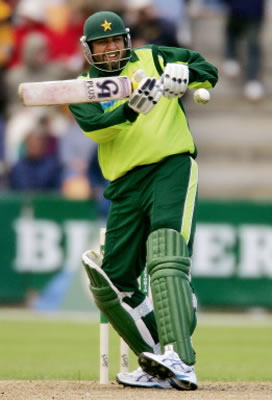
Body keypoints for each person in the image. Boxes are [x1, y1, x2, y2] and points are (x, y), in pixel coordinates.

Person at [69, 11, 218, 390]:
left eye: (117, 39)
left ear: (127, 40)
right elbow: (97, 127)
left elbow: (206, 70)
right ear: (89, 50)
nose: (112, 47)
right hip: (124, 184)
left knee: (165, 253)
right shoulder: (83, 87)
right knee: (111, 281)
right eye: (103, 43)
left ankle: (181, 359)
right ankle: (159, 362)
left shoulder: (153, 57)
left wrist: (186, 74)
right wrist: (134, 107)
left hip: (170, 165)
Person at [222, 0, 266, 101]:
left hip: (254, 11)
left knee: (252, 44)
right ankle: (231, 59)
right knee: (233, 33)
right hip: (237, 10)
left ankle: (252, 79)